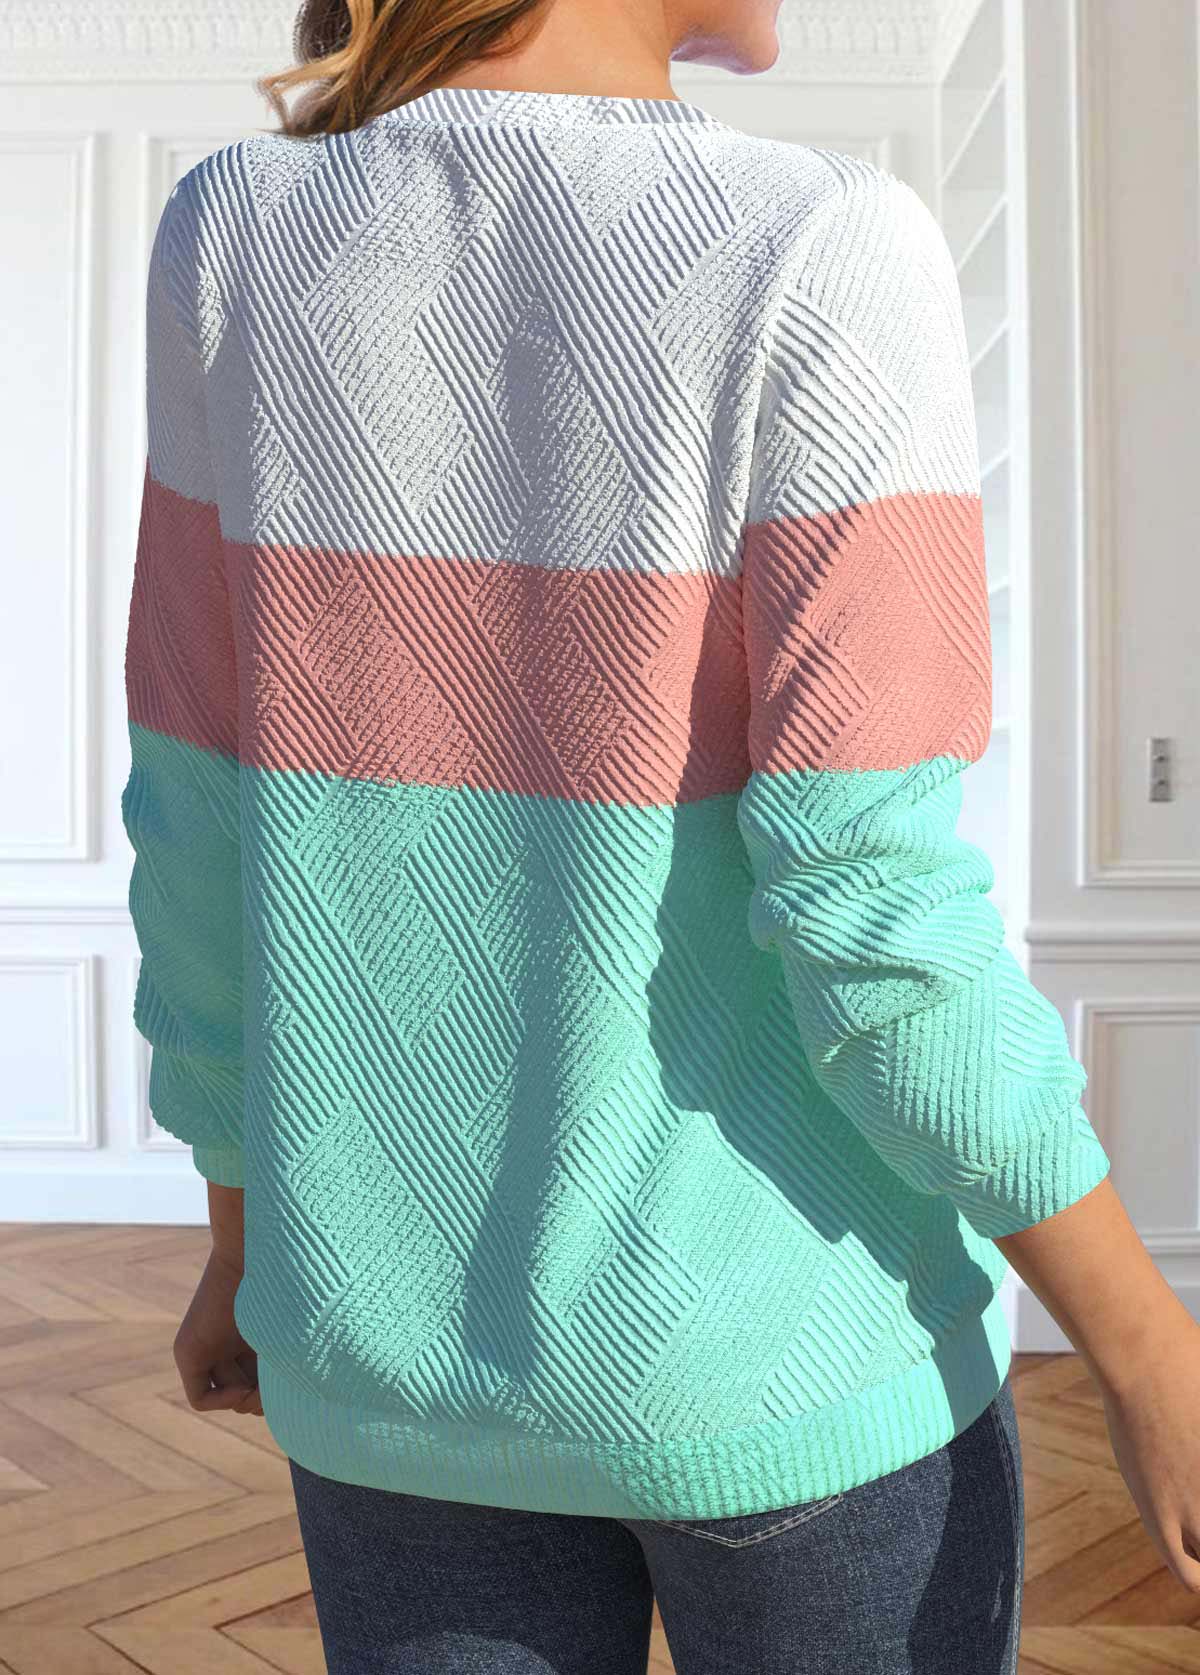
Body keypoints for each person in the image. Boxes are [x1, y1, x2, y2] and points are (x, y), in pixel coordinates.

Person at [120, 0, 1200, 1670]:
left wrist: (243, 1230)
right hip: (782, 1359)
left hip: (386, 1367)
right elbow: (877, 911)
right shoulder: (820, 244)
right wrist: (1151, 1357)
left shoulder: (232, 234)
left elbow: (199, 814)